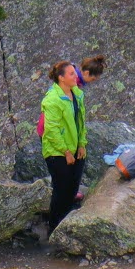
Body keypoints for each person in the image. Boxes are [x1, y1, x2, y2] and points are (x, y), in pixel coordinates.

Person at [40, 61, 88, 229]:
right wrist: (66, 151)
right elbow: (51, 130)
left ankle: (67, 227)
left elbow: (80, 122)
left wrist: (82, 144)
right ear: (61, 78)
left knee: (72, 189)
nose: (76, 76)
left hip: (76, 149)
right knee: (61, 191)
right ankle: (53, 228)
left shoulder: (77, 94)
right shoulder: (52, 99)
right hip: (57, 153)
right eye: (71, 74)